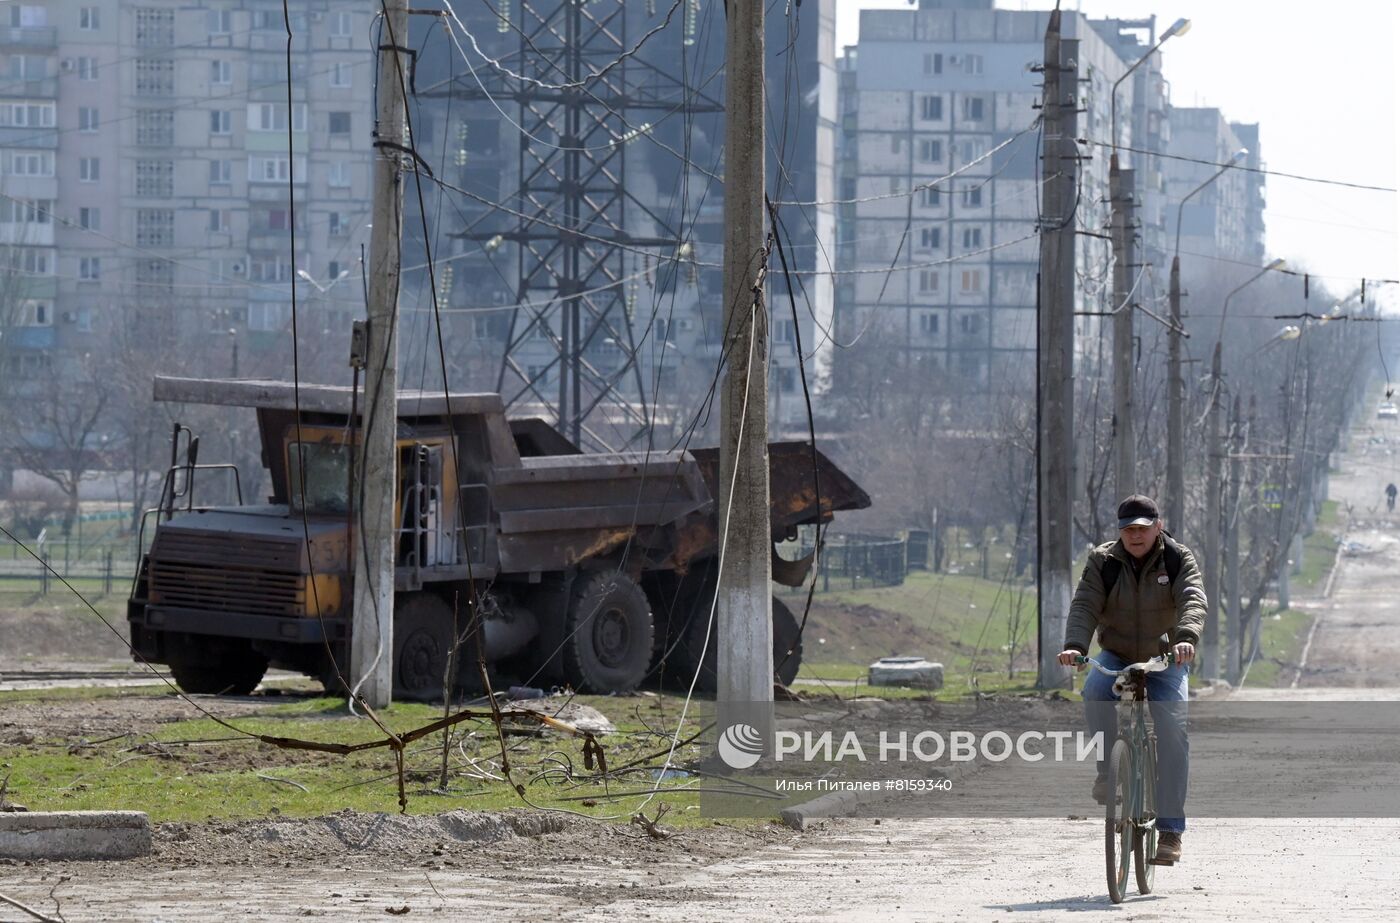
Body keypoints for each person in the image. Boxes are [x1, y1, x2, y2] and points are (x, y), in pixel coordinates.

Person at [1057, 494, 1206, 864]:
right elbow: (1085, 604)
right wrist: (1075, 646)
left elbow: (1192, 598)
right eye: (1128, 529)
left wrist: (1186, 638)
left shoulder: (1177, 558)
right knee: (1093, 690)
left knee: (1172, 726)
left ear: (1157, 526)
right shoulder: (1103, 561)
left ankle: (1170, 831)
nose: (1135, 536)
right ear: (1119, 532)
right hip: (1118, 653)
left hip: (1166, 657)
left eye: (1142, 528)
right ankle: (1107, 770)